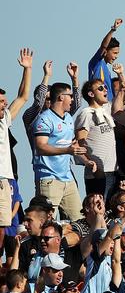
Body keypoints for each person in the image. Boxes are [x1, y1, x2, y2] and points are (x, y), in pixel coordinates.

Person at [33, 81, 85, 221]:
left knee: (80, 221)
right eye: (70, 96)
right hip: (49, 178)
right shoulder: (44, 119)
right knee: (46, 222)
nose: (72, 99)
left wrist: (86, 160)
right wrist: (67, 150)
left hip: (68, 178)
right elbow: (41, 146)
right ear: (61, 97)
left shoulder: (68, 117)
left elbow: (71, 145)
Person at [0, 48, 32, 254]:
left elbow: (22, 97)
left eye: (4, 102)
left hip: (4, 180)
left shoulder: (4, 119)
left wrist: (27, 69)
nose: (4, 105)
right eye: (1, 102)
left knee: (4, 227)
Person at [75, 79, 117, 200]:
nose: (105, 90)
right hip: (97, 173)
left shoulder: (105, 111)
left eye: (105, 87)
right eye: (100, 88)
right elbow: (79, 143)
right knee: (98, 209)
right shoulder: (86, 114)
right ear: (91, 94)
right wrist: (89, 162)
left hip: (111, 170)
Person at [88, 18, 122, 101]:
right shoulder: (96, 63)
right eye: (114, 53)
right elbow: (103, 46)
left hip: (109, 108)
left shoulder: (107, 70)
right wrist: (113, 30)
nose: (116, 56)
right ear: (106, 52)